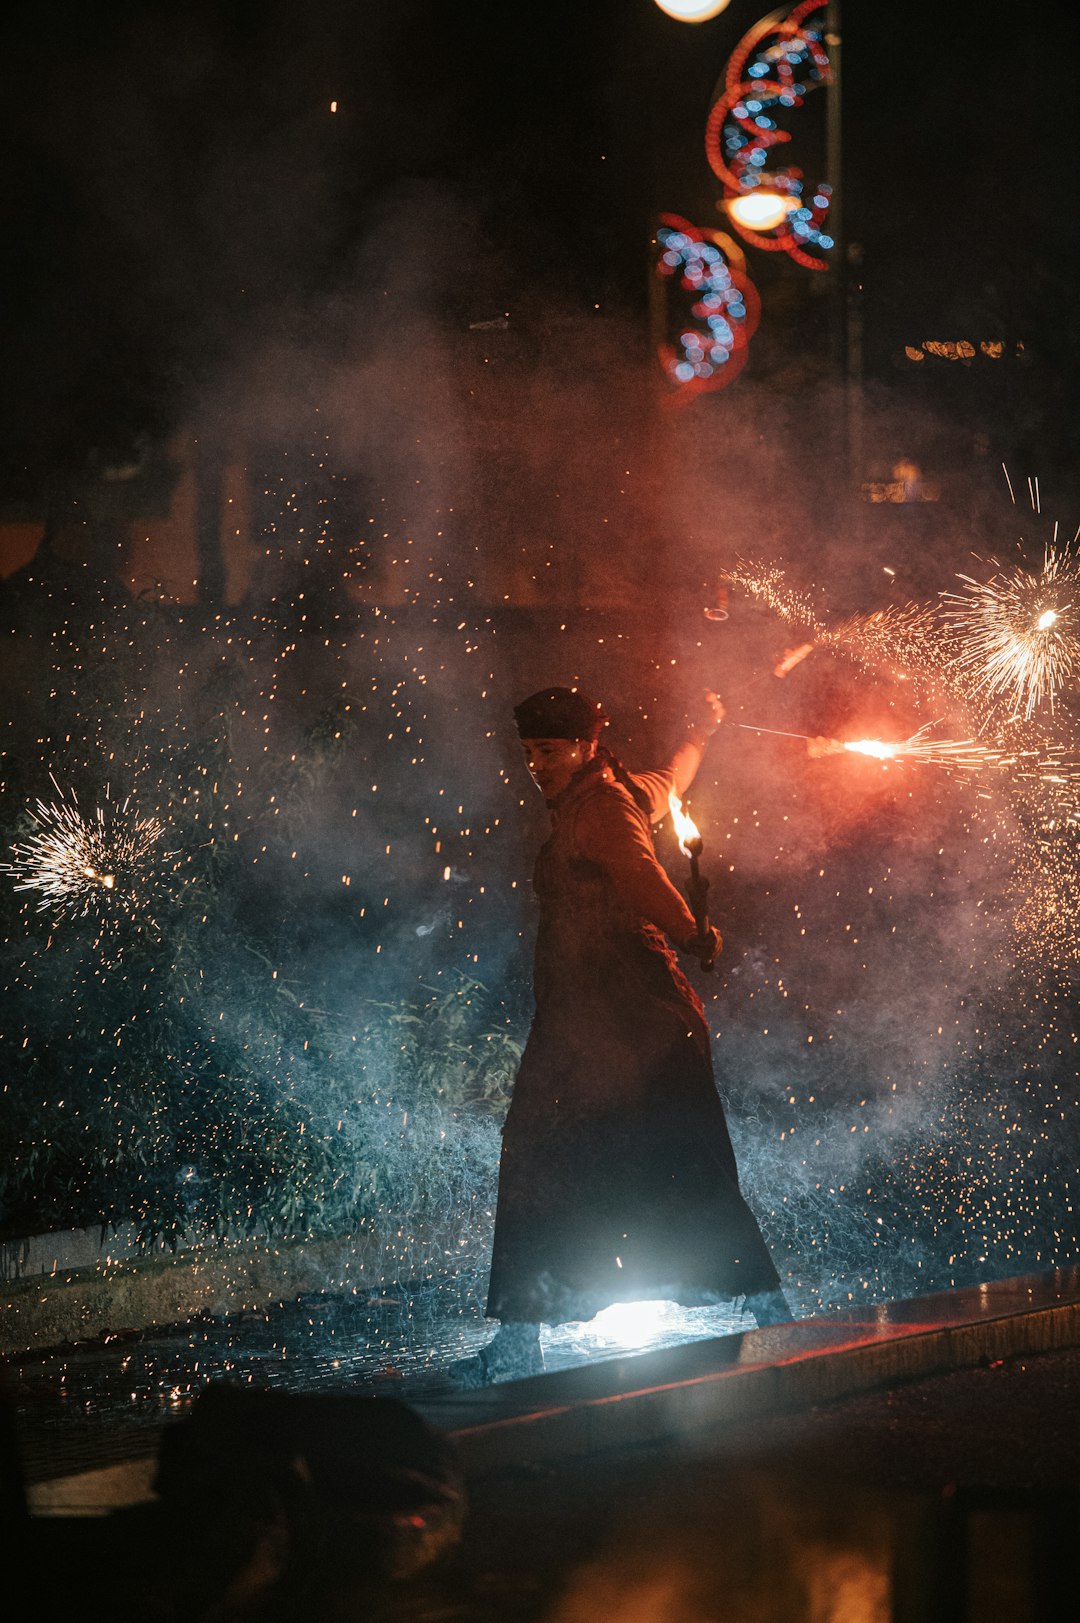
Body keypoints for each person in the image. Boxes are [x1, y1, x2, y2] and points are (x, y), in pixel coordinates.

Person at [450, 685, 790, 1386]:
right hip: (582, 1024)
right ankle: (521, 1339)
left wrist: (694, 932)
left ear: (582, 746)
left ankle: (775, 1313)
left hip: (635, 1020)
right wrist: (700, 728)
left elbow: (640, 875)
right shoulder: (620, 791)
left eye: (547, 751)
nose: (535, 765)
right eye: (527, 754)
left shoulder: (603, 809)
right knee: (544, 1161)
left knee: (678, 1161)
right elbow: (675, 776)